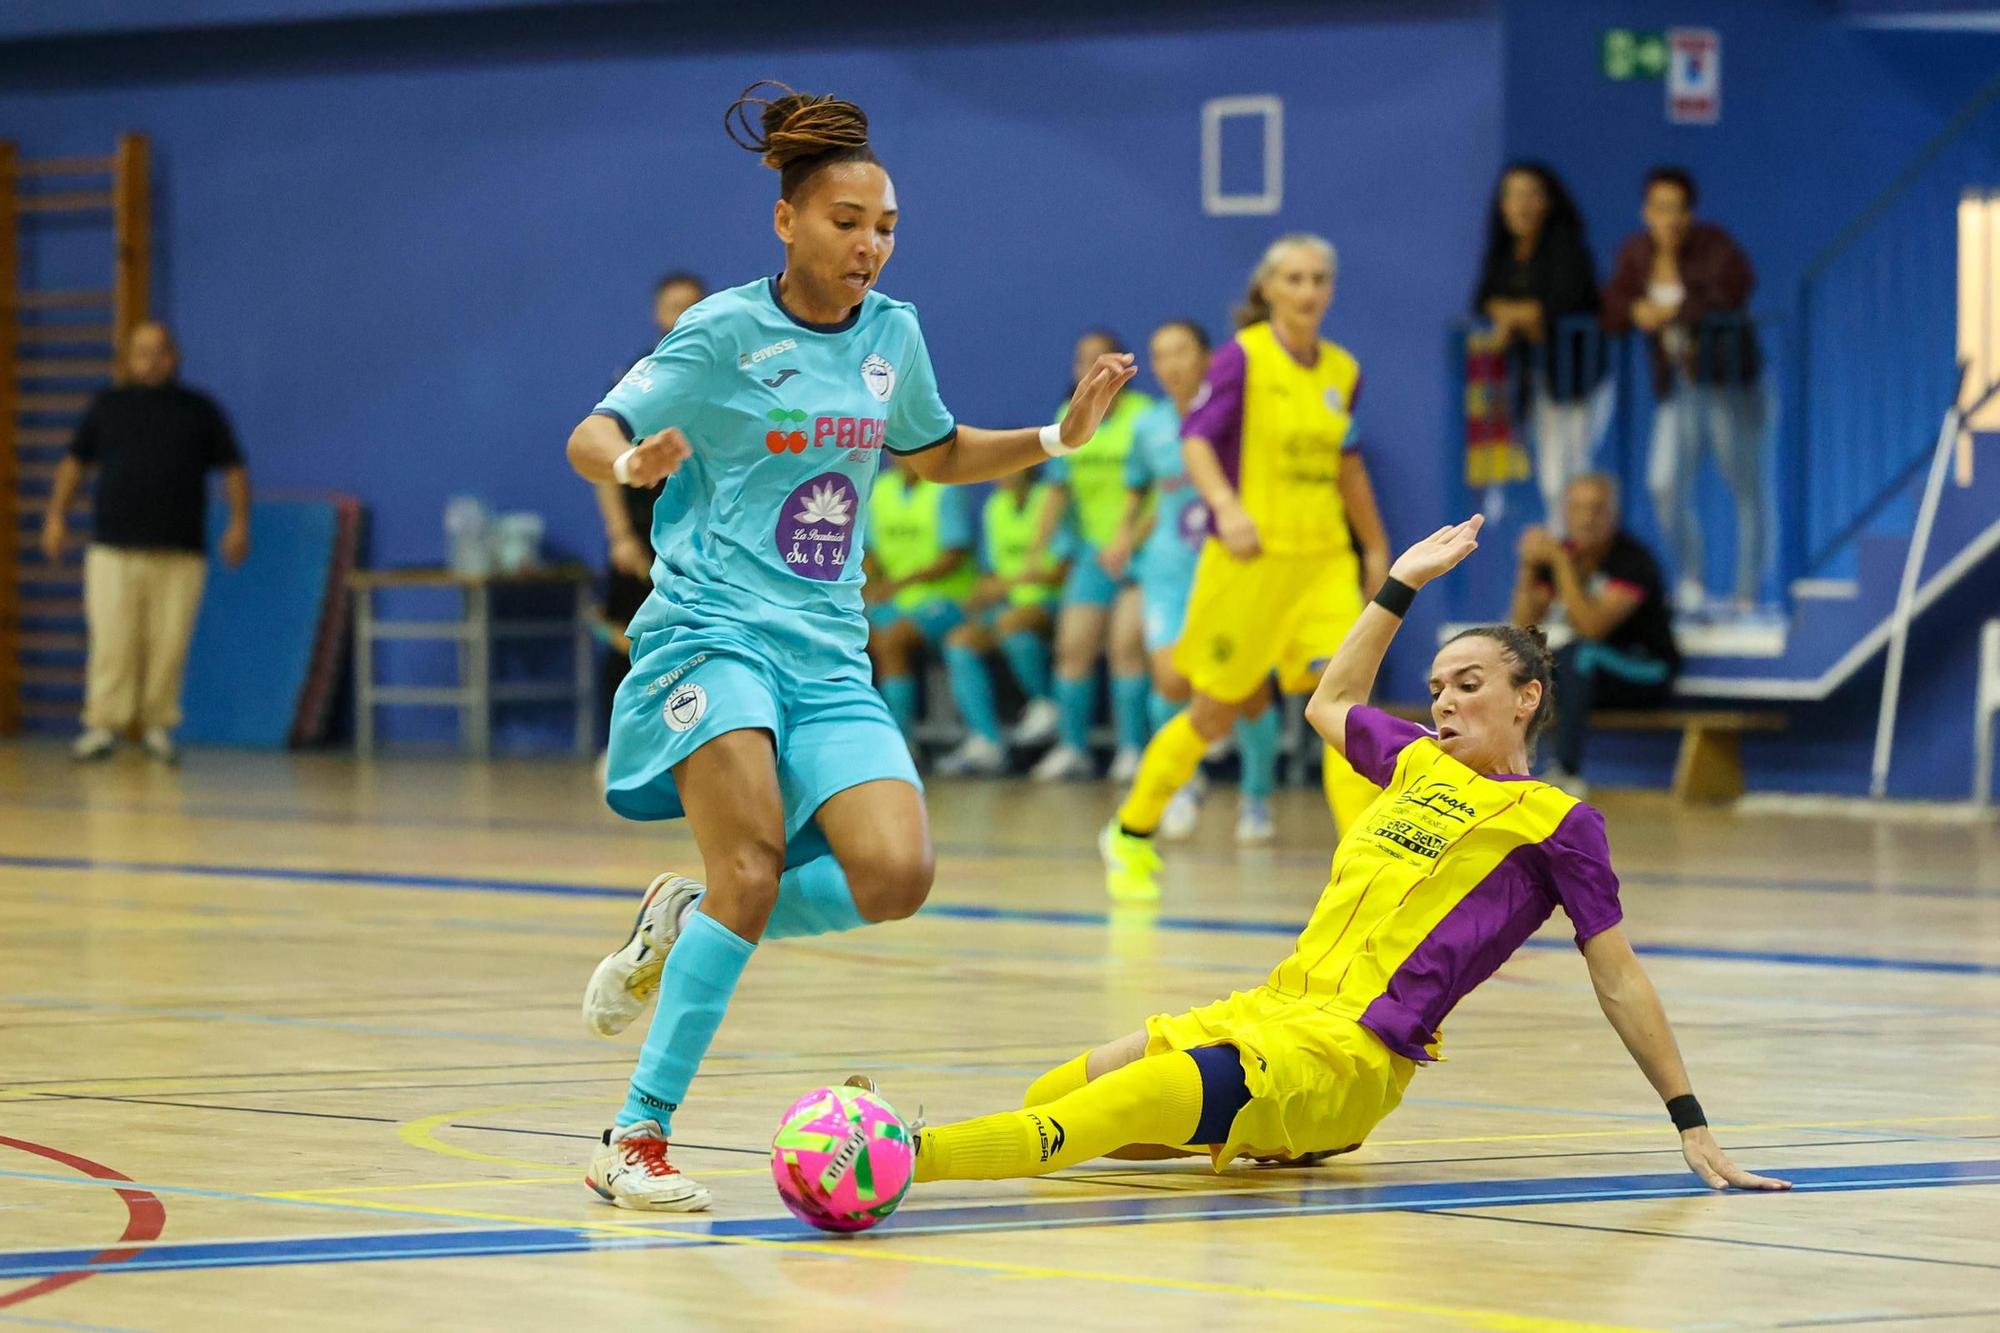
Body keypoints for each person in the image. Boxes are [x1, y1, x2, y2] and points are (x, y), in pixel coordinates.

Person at [564, 81, 1136, 1211]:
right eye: (845, 222)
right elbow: (594, 428)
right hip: (710, 631)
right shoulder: (724, 329)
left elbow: (931, 452)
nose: (868, 243)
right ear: (785, 222)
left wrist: (1052, 437)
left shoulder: (894, 335)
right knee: (752, 865)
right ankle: (633, 1134)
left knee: (893, 874)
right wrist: (625, 466)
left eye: (884, 226)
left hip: (827, 652)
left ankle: (681, 925)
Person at [903, 515, 1789, 1199]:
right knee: (1054, 1090)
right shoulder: (1413, 761)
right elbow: (1330, 701)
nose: (1442, 701)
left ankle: (902, 1159)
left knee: (1121, 1103)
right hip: (1269, 1008)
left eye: (1468, 685)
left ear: (1527, 699)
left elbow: (1619, 976)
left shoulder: (1556, 821)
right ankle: (1269, 1132)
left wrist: (1690, 1120)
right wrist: (1398, 584)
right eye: (1436, 686)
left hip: (1352, 1053)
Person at [1100, 234, 1391, 902]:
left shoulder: (1342, 370)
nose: (1309, 290)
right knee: (1213, 712)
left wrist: (1376, 547)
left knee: (1341, 706)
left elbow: (1347, 464)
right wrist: (1227, 507)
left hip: (1323, 563)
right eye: (1294, 279)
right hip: (1250, 562)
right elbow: (1197, 438)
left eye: (1320, 278)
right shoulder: (1243, 358)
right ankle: (1131, 829)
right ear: (1269, 289)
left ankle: (1363, 870)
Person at [42, 322, 250, 765]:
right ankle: (101, 725)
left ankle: (157, 725)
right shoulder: (107, 406)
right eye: (141, 352)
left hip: (179, 549)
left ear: (173, 357)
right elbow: (75, 463)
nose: (150, 360)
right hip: (112, 548)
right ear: (128, 358)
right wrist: (57, 514)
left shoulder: (199, 410)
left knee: (168, 642)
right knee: (111, 640)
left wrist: (239, 522)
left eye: (159, 352)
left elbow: (233, 468)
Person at [1103, 319, 1279, 845]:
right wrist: (1123, 535)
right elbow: (1139, 488)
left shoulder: (1237, 416)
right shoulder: (1148, 427)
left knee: (1246, 691)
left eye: (1182, 352)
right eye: (1160, 355)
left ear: (1207, 357)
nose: (1171, 364)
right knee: (1171, 679)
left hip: (1233, 565)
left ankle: (1256, 798)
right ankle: (1183, 785)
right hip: (1168, 569)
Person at [1602, 167, 1765, 613]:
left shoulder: (1714, 246)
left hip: (1728, 384)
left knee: (1743, 484)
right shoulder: (1636, 254)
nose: (1669, 218)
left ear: (1690, 213)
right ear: (1646, 212)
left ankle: (1748, 590)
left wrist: (1673, 311)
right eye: (1660, 208)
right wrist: (1636, 307)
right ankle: (1691, 576)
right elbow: (1612, 302)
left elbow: (1733, 289)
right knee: (1663, 484)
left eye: (1678, 208)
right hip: (1676, 389)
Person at [1023, 330, 1156, 784]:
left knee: (1125, 647)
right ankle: (1072, 748)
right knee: (1072, 647)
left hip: (1142, 553)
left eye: (1099, 359)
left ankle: (1132, 751)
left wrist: (1131, 541)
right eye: (1082, 361)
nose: (1091, 368)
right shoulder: (1071, 415)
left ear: (1121, 364)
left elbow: (1160, 489)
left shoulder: (1146, 418)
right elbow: (1057, 489)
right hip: (1092, 554)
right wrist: (1036, 550)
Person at [1512, 473, 1678, 796]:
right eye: (1578, 508)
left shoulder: (1633, 561)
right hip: (1587, 675)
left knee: (1580, 653)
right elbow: (1522, 628)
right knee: (1521, 665)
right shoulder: (1562, 554)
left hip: (1646, 672)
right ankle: (1506, 771)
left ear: (1614, 515)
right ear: (1564, 513)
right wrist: (1528, 566)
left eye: (1597, 509)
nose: (1587, 518)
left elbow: (1592, 627)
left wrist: (1559, 562)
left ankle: (1566, 771)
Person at [596, 272, 708, 738]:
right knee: (627, 640)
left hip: (701, 537)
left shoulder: (726, 372)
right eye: (673, 306)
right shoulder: (634, 379)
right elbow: (603, 459)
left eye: (692, 305)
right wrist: (620, 535)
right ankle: (619, 744)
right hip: (642, 533)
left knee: (698, 645)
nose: (682, 315)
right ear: (658, 313)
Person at [1472, 162, 1606, 530]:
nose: (1522, 205)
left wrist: (1520, 317)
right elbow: (1484, 299)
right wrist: (1513, 314)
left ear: (1548, 202)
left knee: (1565, 475)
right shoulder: (1504, 251)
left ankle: (1569, 557)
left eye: (1531, 195)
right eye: (1513, 196)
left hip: (1578, 381)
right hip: (1536, 381)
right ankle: (1561, 554)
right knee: (1549, 477)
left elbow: (1560, 303)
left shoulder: (1566, 248)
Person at [933, 465, 1066, 778]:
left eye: (1011, 469)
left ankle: (1047, 705)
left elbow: (1063, 570)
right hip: (1010, 608)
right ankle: (987, 741)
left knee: (1013, 626)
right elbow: (991, 574)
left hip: (1053, 601)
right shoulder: (995, 508)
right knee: (961, 641)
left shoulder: (1049, 499)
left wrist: (1014, 583)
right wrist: (990, 590)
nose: (1001, 476)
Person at [862, 452, 976, 748]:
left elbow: (954, 555)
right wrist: (874, 585)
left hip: (946, 599)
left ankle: (900, 742)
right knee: (858, 637)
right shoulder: (881, 490)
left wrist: (901, 583)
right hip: (894, 600)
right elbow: (870, 553)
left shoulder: (945, 489)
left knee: (893, 639)